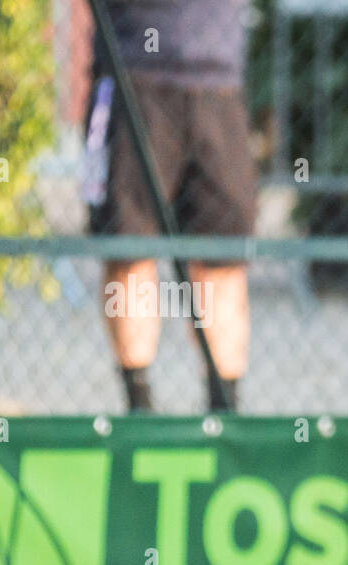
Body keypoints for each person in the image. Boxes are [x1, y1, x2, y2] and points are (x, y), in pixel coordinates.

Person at [84, 0, 254, 412]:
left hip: (219, 84)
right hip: (133, 79)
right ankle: (139, 408)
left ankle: (224, 413)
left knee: (221, 259)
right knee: (129, 251)